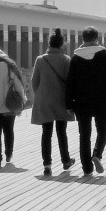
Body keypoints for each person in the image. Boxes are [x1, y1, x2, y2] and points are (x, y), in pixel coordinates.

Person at [65, 26, 106, 177]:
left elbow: (69, 82)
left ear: (83, 39)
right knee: (103, 130)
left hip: (81, 102)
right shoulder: (103, 55)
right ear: (97, 39)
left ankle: (87, 169)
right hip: (102, 100)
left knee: (84, 134)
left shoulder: (76, 58)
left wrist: (69, 104)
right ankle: (97, 154)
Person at [31, 30, 75, 176]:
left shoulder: (40, 59)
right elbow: (70, 82)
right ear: (61, 44)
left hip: (45, 101)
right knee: (61, 132)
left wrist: (41, 95)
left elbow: (34, 82)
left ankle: (47, 164)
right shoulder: (66, 59)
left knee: (46, 133)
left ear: (49, 44)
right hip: (61, 100)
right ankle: (66, 160)